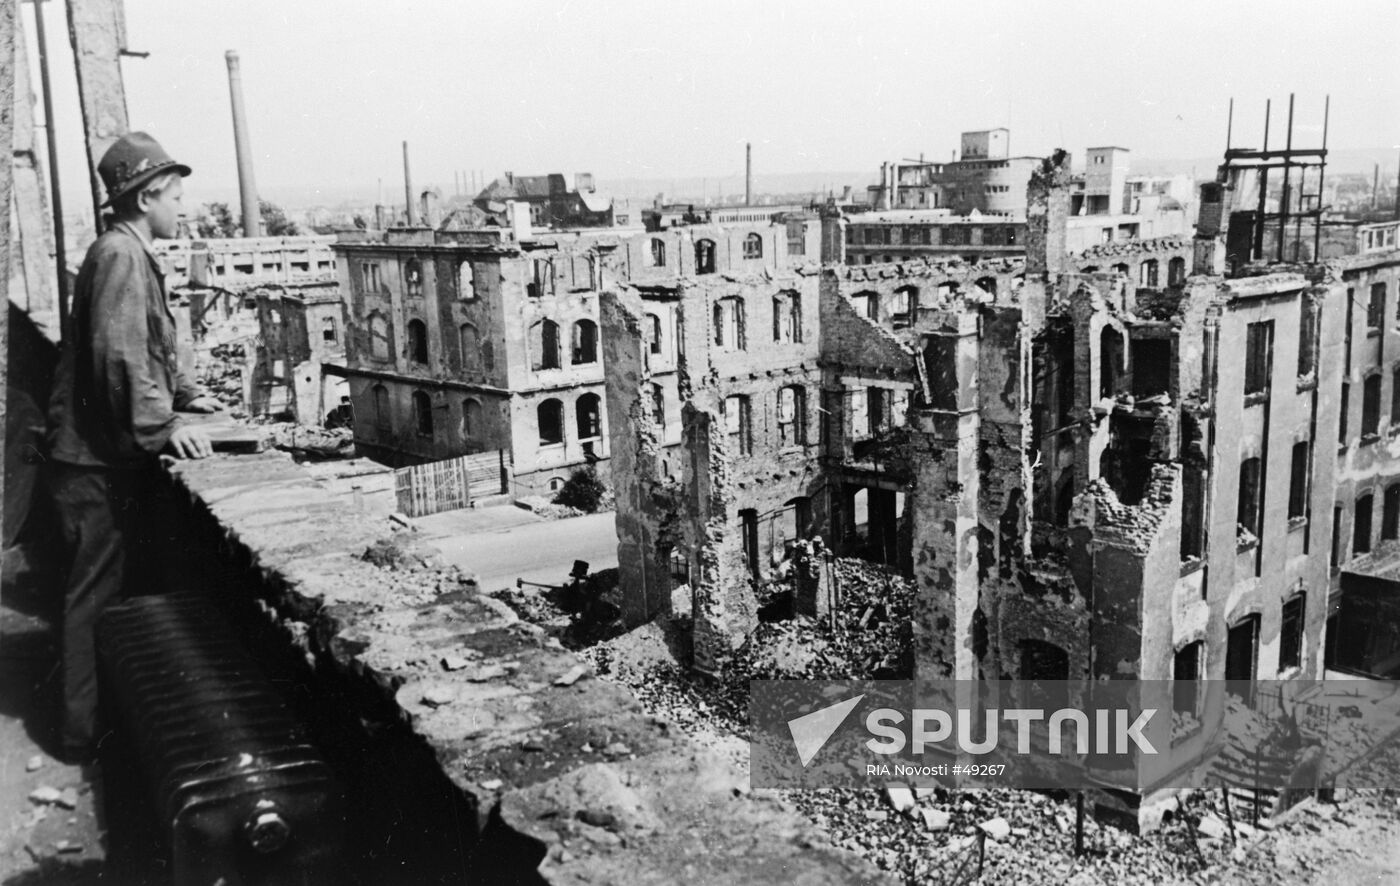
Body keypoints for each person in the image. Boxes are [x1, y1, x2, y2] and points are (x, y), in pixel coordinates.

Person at [45, 132, 222, 763]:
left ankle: (100, 728)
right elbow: (117, 357)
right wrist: (165, 426)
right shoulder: (121, 254)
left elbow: (148, 344)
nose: (183, 207)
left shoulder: (125, 251)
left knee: (105, 595)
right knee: (94, 599)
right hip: (92, 465)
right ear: (146, 198)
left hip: (96, 459)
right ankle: (80, 736)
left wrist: (187, 393)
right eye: (175, 195)